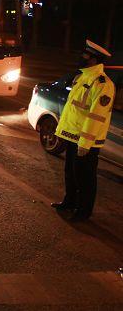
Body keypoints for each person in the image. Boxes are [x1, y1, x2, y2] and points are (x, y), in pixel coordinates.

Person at [51, 40, 115, 221]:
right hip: (72, 136)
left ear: (94, 59)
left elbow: (96, 117)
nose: (81, 57)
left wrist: (85, 144)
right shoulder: (82, 77)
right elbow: (74, 109)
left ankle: (83, 211)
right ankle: (69, 202)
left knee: (84, 178)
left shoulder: (103, 84)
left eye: (85, 55)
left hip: (86, 142)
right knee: (70, 173)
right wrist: (62, 132)